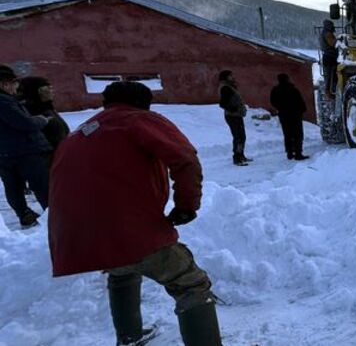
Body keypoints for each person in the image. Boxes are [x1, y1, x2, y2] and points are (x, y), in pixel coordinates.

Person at [48, 81, 222, 346]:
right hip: (127, 227)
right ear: (144, 103)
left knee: (122, 269)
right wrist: (187, 206)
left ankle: (129, 338)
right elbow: (185, 158)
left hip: (76, 237)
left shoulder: (79, 133)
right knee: (190, 283)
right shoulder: (138, 120)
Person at [0, 64, 51, 229]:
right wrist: (42, 120)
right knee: (40, 184)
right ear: (4, 84)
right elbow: (25, 123)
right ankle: (51, 213)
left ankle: (24, 214)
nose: (16, 87)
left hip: (4, 153)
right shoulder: (4, 102)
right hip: (24, 150)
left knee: (13, 186)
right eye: (14, 83)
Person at [18, 76, 70, 152]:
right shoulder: (31, 112)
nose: (51, 91)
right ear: (36, 91)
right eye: (47, 88)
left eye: (51, 88)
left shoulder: (47, 107)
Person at [270, 74, 309, 161]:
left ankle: (290, 153)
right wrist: (301, 111)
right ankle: (298, 153)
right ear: (287, 79)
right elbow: (300, 102)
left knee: (287, 134)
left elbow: (272, 102)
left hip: (283, 115)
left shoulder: (275, 90)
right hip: (295, 115)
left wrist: (280, 108)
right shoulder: (293, 89)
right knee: (297, 134)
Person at [217, 70, 251, 166]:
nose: (232, 77)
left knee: (242, 136)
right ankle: (237, 158)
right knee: (238, 137)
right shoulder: (226, 88)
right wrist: (234, 109)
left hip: (236, 115)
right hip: (232, 116)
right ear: (226, 77)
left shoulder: (230, 86)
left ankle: (241, 155)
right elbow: (223, 103)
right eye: (230, 76)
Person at [321, 19, 338, 100]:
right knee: (331, 77)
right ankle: (330, 94)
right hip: (330, 57)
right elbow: (333, 43)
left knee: (328, 77)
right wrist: (339, 40)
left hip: (327, 57)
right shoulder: (328, 34)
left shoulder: (323, 32)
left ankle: (329, 93)